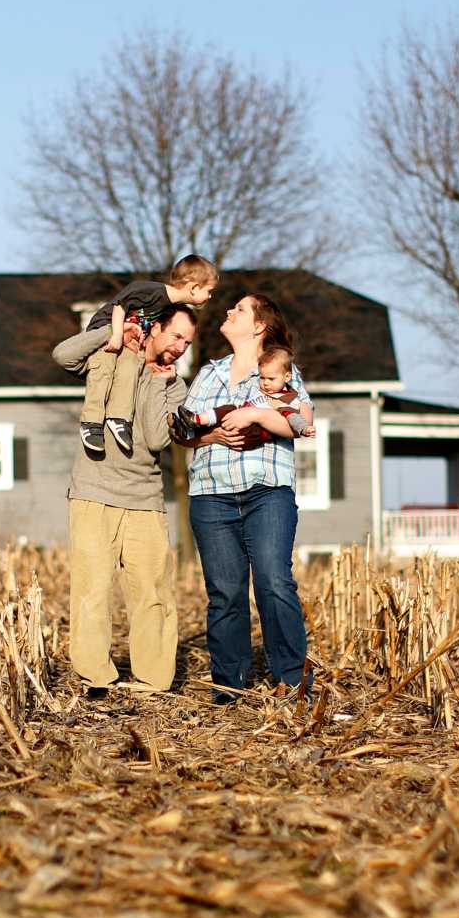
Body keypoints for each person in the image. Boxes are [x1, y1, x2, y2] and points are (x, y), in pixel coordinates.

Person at [173, 294, 313, 705]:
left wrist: (254, 415)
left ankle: (291, 679)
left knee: (273, 580)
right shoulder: (208, 374)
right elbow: (183, 431)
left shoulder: (281, 372)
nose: (229, 312)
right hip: (211, 494)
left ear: (257, 326)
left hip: (266, 490)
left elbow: (302, 424)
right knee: (225, 592)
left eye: (239, 309)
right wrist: (212, 435)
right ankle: (230, 685)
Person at [52, 303, 197, 696]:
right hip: (93, 492)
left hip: (145, 499)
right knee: (92, 589)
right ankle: (94, 676)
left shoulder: (175, 386)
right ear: (155, 328)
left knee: (152, 593)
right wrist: (113, 333)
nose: (181, 347)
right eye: (176, 335)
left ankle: (153, 680)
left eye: (187, 341)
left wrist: (162, 383)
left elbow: (153, 438)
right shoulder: (110, 354)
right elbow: (63, 355)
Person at [79, 255, 217, 455]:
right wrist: (115, 334)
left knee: (127, 371)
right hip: (106, 335)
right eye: (209, 291)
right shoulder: (151, 291)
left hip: (127, 343)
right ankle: (92, 423)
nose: (211, 296)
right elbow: (120, 305)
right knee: (106, 376)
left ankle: (118, 419)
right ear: (194, 287)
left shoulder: (165, 308)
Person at [171, 343, 315, 440]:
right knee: (228, 409)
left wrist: (304, 429)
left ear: (287, 377)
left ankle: (192, 427)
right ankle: (193, 421)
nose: (265, 382)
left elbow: (294, 418)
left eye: (271, 379)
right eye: (262, 377)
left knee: (241, 428)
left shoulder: (285, 399)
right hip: (240, 418)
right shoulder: (260, 389)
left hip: (254, 432)